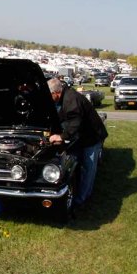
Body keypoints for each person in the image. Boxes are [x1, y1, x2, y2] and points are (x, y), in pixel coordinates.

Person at [47, 77, 109, 209]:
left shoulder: (71, 99)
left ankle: (82, 200)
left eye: (49, 95)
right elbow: (64, 118)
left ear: (55, 93)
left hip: (92, 137)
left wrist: (61, 136)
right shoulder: (65, 96)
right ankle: (76, 191)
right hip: (81, 137)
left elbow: (75, 122)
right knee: (75, 162)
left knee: (88, 168)